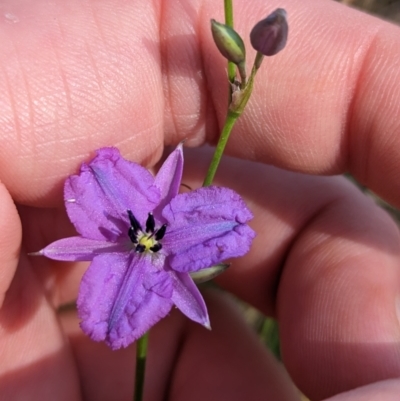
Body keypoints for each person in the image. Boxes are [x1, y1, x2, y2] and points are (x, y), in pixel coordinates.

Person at [1, 0, 400, 399]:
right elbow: (99, 174)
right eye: (147, 240)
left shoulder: (193, 230)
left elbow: (227, 225)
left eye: (148, 240)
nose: (145, 240)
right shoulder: (108, 191)